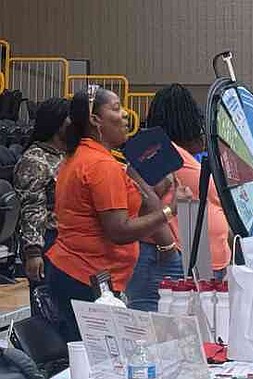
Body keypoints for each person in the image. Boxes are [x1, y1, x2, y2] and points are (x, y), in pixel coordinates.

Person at [47, 88, 190, 341]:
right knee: (99, 361)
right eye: (115, 108)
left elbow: (129, 210)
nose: (125, 115)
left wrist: (156, 190)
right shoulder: (102, 165)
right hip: (85, 275)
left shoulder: (85, 156)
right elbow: (119, 231)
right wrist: (170, 210)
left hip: (79, 272)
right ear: (95, 120)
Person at [139, 84, 231, 295]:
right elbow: (147, 201)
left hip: (199, 256)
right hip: (176, 257)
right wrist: (168, 248)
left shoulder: (179, 155)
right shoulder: (158, 151)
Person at [12, 97, 69, 300]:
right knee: (49, 307)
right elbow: (32, 209)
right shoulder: (34, 160)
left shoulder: (69, 155)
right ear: (58, 123)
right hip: (48, 241)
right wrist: (34, 253)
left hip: (70, 239)